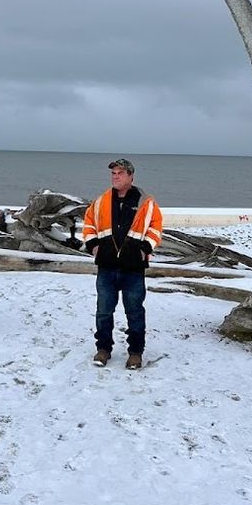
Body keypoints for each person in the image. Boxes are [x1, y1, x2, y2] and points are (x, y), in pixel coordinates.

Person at [82, 158, 163, 369]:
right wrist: (93, 246)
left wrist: (145, 248)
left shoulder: (146, 201)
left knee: (135, 312)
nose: (115, 176)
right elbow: (89, 223)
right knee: (103, 312)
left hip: (133, 269)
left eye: (120, 173)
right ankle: (103, 349)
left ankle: (135, 353)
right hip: (107, 267)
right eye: (113, 173)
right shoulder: (101, 201)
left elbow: (155, 228)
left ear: (130, 176)